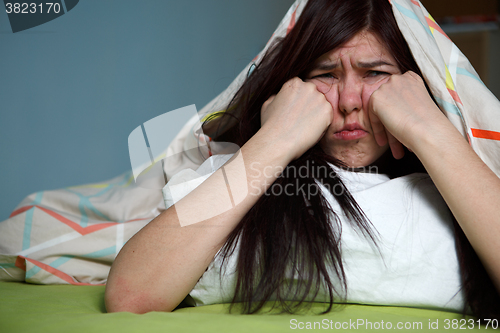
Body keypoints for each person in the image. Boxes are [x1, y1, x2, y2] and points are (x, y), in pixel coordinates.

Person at [105, 0, 500, 319]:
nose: (348, 102)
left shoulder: (466, 191)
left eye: (375, 72)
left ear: (414, 84)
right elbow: (131, 295)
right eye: (325, 75)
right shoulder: (238, 178)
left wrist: (429, 128)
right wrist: (277, 137)